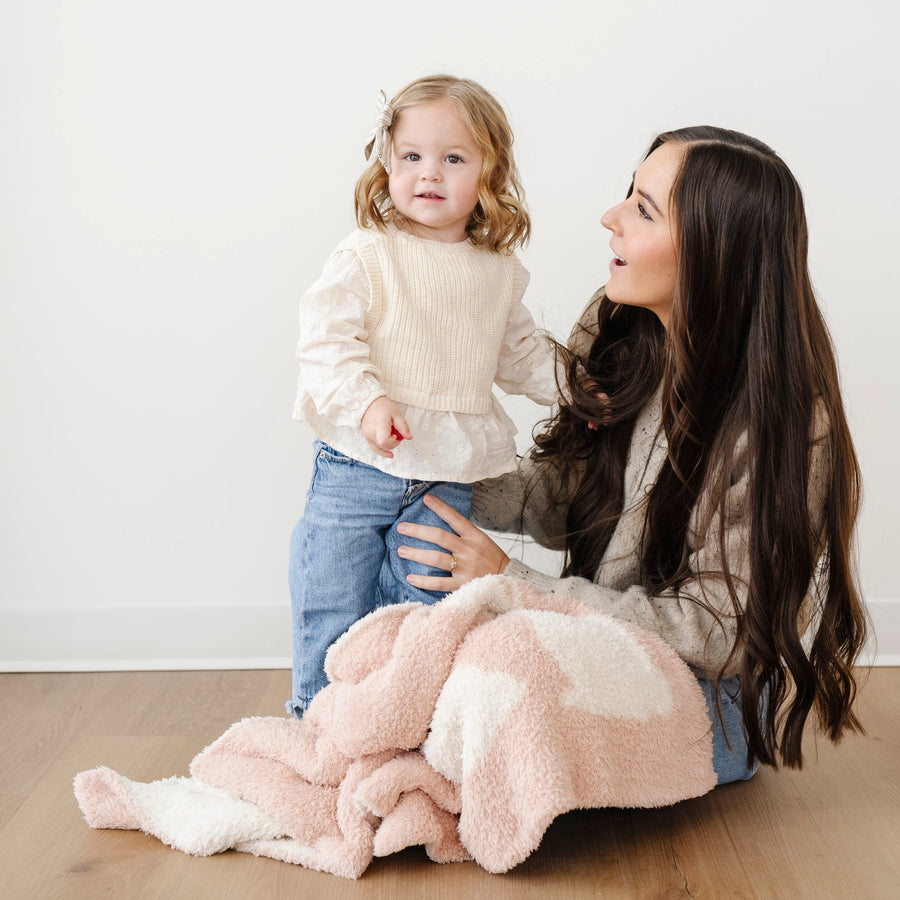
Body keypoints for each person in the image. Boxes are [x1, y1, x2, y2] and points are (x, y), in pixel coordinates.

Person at [392, 126, 868, 781]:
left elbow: (714, 633)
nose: (609, 217)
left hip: (695, 701)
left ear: (711, 255)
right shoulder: (620, 326)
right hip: (578, 636)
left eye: (642, 209)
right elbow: (568, 495)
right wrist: (438, 474)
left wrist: (515, 587)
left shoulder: (785, 424)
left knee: (495, 676)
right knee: (410, 554)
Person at [287, 75, 558, 718]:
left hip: (444, 474)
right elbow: (327, 339)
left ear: (489, 171)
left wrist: (585, 393)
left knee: (423, 603)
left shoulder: (497, 273)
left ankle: (394, 719)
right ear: (386, 165)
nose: (428, 173)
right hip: (358, 465)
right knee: (331, 591)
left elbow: (520, 354)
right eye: (411, 156)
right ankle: (314, 718)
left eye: (453, 159)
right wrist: (366, 403)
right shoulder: (368, 254)